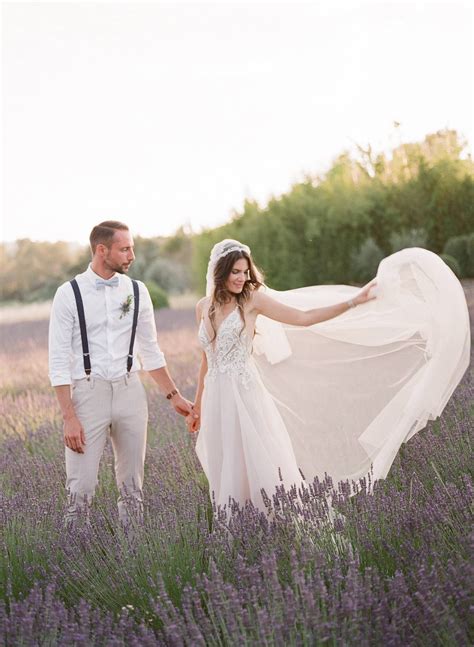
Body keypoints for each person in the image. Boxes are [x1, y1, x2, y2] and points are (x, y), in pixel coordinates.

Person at [187, 239, 470, 516]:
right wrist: (197, 406)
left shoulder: (252, 300)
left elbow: (303, 317)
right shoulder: (203, 307)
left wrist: (353, 302)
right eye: (235, 271)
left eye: (245, 272)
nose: (242, 277)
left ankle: (275, 524)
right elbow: (206, 360)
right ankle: (236, 528)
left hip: (245, 395)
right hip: (217, 398)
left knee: (258, 460)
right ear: (220, 271)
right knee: (226, 462)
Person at [48, 220, 195, 526]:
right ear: (102, 250)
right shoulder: (68, 293)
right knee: (81, 490)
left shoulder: (137, 291)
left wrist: (174, 396)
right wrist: (69, 416)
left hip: (131, 391)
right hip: (88, 394)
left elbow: (151, 350)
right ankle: (71, 566)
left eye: (132, 248)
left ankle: (133, 563)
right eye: (125, 248)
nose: (132, 255)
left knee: (132, 490)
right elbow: (59, 360)